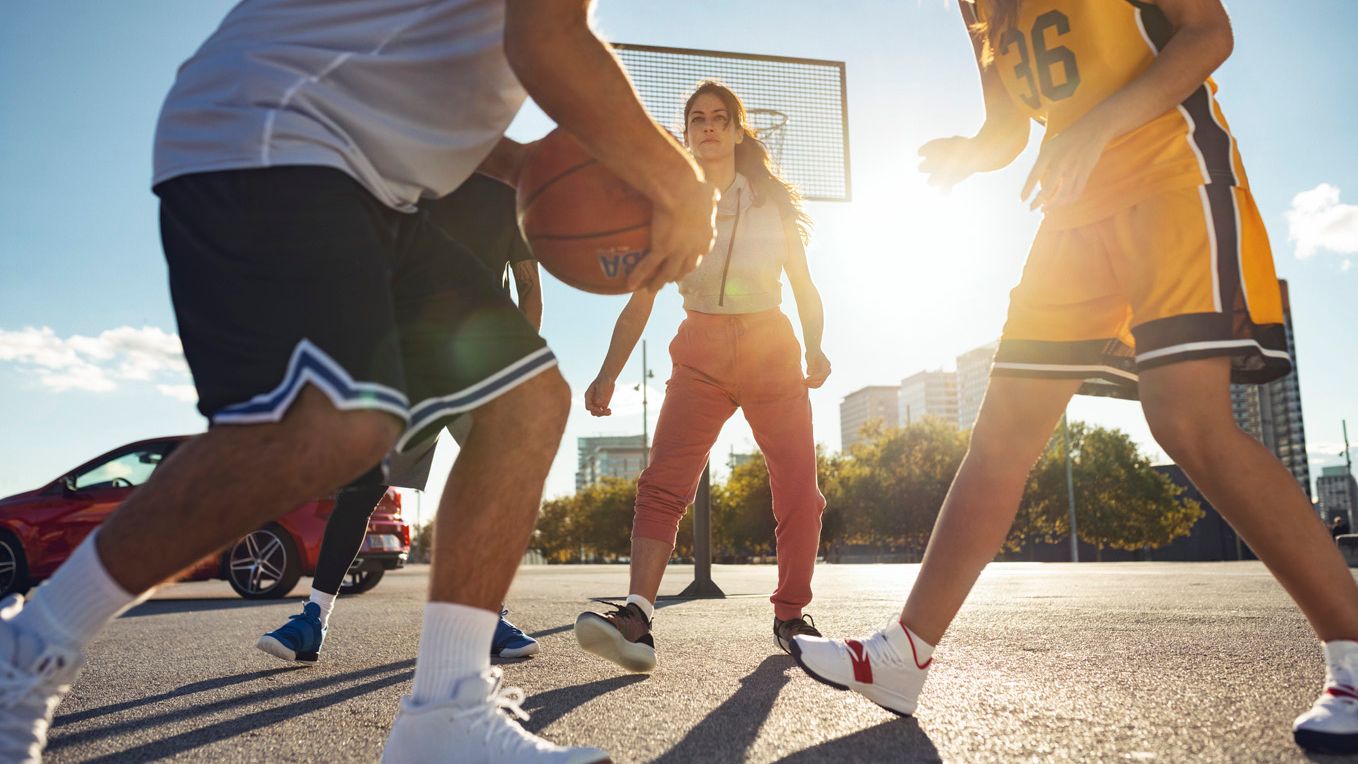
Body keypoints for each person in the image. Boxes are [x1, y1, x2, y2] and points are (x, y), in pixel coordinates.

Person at [0, 2, 718, 763]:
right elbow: (547, 37)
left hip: (373, 180)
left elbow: (443, 68)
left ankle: (444, 714)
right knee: (335, 424)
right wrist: (680, 183)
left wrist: (528, 166)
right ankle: (26, 652)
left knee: (525, 403)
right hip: (272, 126)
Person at [789, 0, 1358, 756]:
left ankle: (1353, 654)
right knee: (998, 438)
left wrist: (1097, 125)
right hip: (1071, 210)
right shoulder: (975, 6)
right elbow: (1009, 128)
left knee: (1186, 420)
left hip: (1171, 173)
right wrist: (971, 151)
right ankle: (903, 656)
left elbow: (1209, 32)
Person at [573, 81, 831, 674]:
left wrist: (816, 347)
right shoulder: (670, 208)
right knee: (662, 484)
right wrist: (607, 374)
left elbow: (805, 286)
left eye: (720, 118)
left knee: (799, 491)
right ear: (687, 134)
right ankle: (637, 618)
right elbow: (640, 301)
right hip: (701, 353)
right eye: (698, 120)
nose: (709, 127)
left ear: (739, 131)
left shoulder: (772, 204)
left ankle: (790, 615)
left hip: (771, 349)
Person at [255, 175, 544, 666]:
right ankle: (312, 621)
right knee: (360, 491)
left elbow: (529, 290)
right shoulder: (404, 189)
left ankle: (487, 618)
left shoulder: (506, 200)